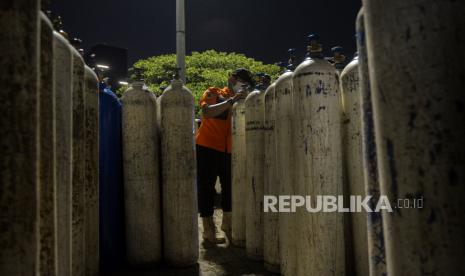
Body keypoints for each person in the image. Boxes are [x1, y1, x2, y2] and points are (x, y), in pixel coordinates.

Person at [196, 68, 254, 244]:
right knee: (207, 188)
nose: (241, 86)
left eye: (245, 84)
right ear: (231, 78)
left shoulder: (243, 100)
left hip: (229, 150)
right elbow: (207, 112)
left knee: (230, 187)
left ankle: (227, 226)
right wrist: (231, 100)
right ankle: (208, 230)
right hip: (207, 147)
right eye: (240, 81)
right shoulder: (213, 92)